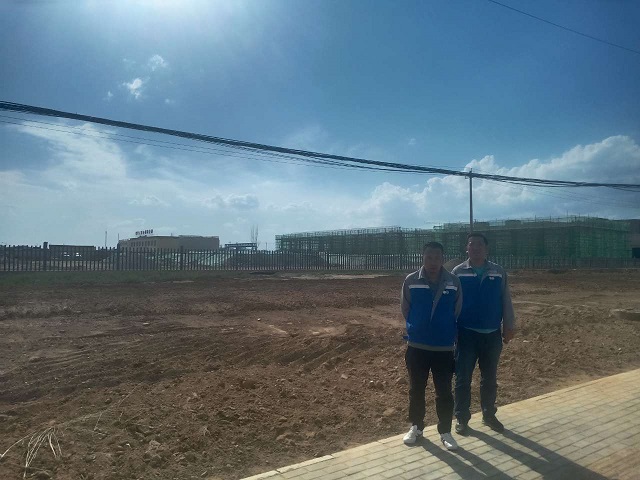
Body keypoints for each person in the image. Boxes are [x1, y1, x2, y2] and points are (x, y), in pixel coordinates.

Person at [452, 232, 516, 435]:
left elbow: (505, 299)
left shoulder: (498, 271)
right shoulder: (458, 272)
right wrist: (451, 330)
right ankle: (462, 418)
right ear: (467, 249)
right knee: (463, 378)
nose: (475, 248)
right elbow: (451, 303)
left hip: (492, 335)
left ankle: (489, 414)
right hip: (466, 334)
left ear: (486, 249)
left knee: (489, 378)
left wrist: (509, 325)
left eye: (479, 244)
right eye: (472, 244)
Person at [401, 242, 463, 450]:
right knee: (416, 389)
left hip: (443, 348)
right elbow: (406, 308)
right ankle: (416, 427)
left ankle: (445, 431)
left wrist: (444, 328)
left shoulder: (453, 282)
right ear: (422, 258)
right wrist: (418, 326)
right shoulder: (411, 281)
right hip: (417, 347)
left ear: (442, 259)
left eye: (437, 258)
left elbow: (457, 309)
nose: (433, 262)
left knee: (444, 392)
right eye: (429, 257)